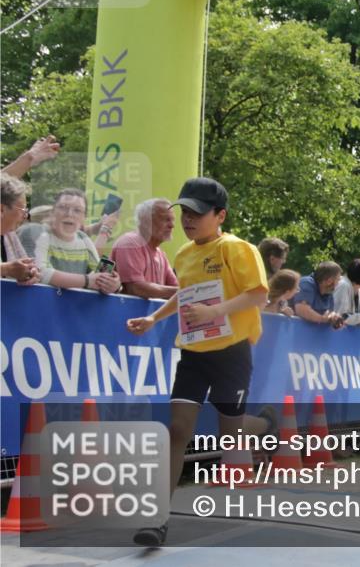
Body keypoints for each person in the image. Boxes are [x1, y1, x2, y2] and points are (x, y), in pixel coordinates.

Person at [126, 177, 268, 547]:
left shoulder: (237, 249)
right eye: (185, 212)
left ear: (220, 215)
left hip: (232, 353)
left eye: (198, 214)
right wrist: (154, 319)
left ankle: (264, 423)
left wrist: (216, 311)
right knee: (177, 430)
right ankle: (157, 520)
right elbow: (184, 296)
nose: (189, 220)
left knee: (231, 436)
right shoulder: (184, 254)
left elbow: (258, 294)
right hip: (193, 353)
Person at [29, 188, 121, 293]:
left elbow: (100, 276)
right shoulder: (38, 233)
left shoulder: (84, 239)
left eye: (77, 210)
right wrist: (87, 280)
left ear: (84, 217)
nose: (69, 214)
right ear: (53, 212)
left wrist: (114, 284)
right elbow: (40, 274)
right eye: (63, 208)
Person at [111, 198, 179, 299]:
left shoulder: (160, 254)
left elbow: (175, 287)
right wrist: (186, 293)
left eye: (172, 220)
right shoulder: (130, 243)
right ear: (146, 220)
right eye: (166, 219)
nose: (172, 225)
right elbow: (136, 289)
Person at [1, 174, 40, 284]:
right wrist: (6, 269)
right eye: (23, 210)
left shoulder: (9, 236)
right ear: (2, 209)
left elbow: (21, 267)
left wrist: (30, 272)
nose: (25, 216)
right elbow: (9, 269)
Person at [290, 261, 344, 327]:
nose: (338, 284)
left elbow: (328, 313)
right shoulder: (306, 283)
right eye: (338, 280)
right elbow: (301, 310)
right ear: (329, 281)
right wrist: (322, 319)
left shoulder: (328, 293)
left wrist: (333, 317)